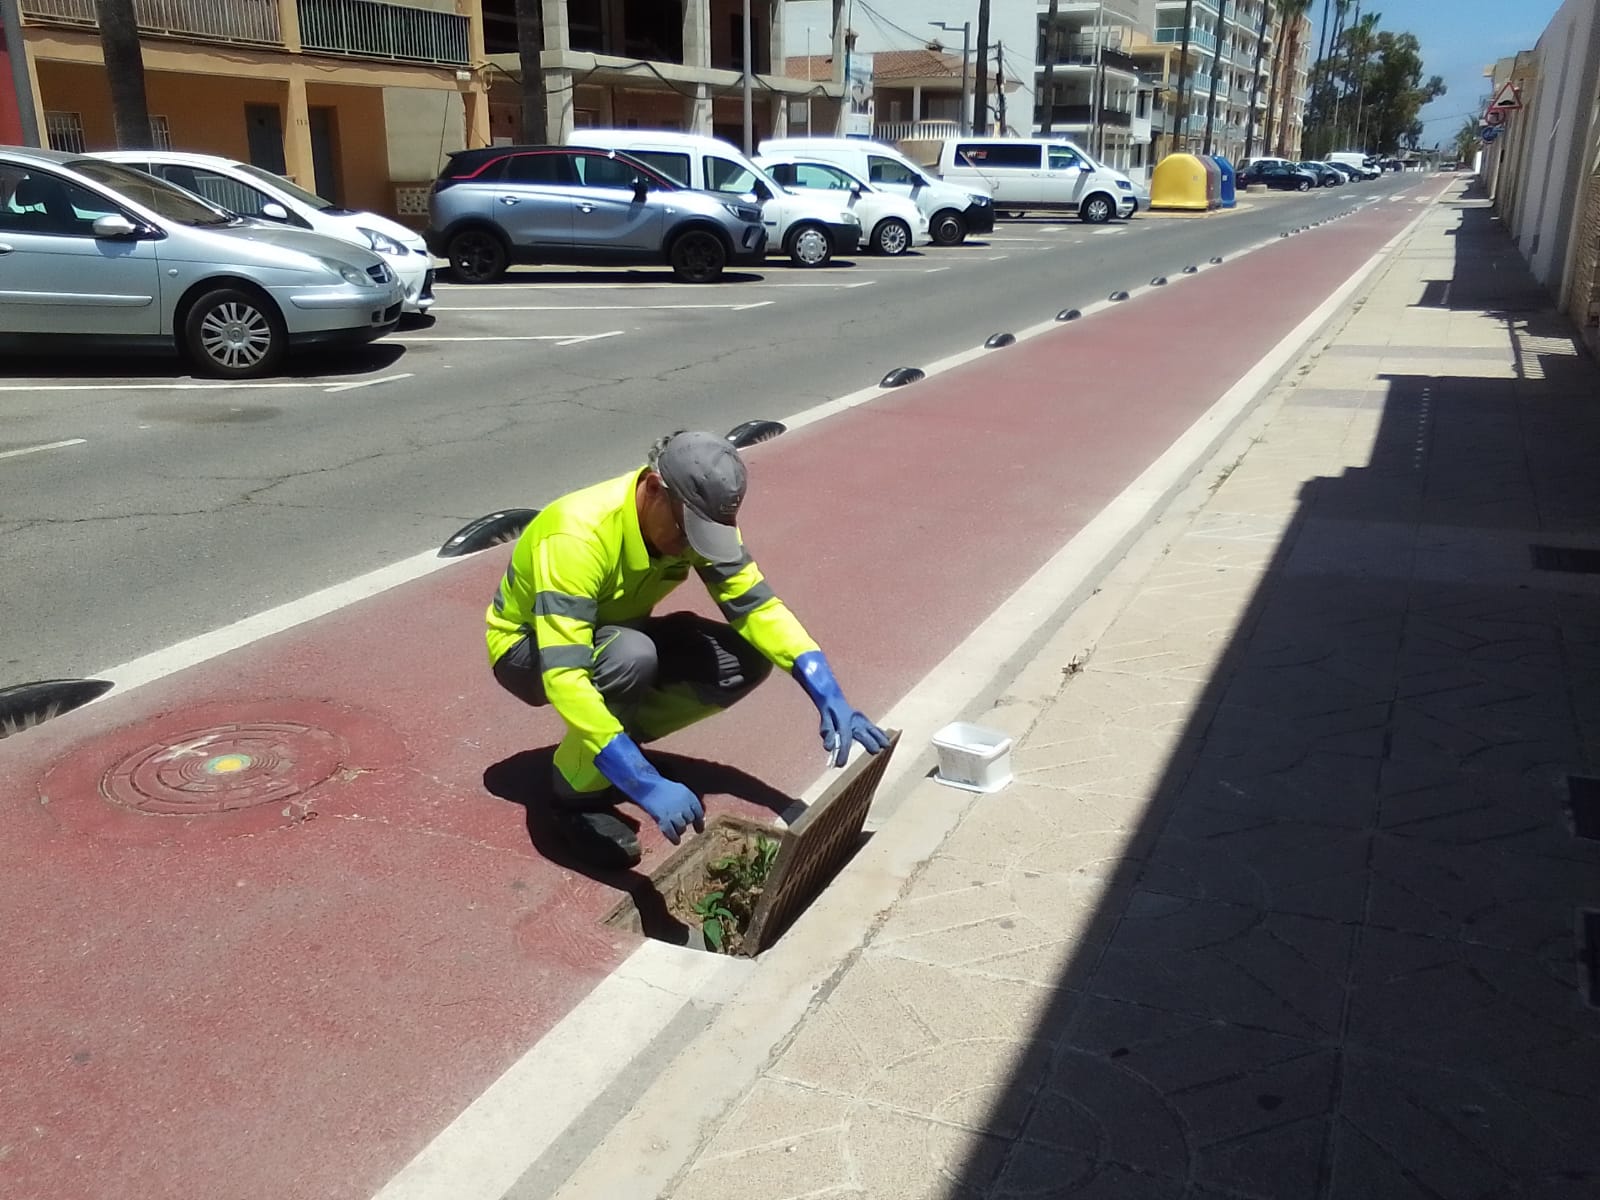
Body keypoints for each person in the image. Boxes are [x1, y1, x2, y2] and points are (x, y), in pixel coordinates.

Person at [487, 430, 888, 867]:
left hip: (615, 633)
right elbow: (564, 677)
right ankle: (575, 795)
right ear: (655, 489)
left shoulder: (690, 520)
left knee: (744, 661)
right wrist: (642, 784)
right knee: (631, 656)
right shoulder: (576, 537)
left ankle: (612, 742)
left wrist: (825, 689)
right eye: (687, 531)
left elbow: (757, 608)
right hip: (529, 651)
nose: (693, 545)